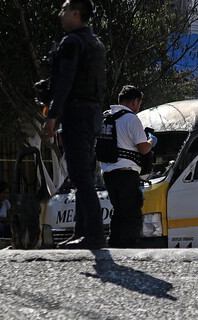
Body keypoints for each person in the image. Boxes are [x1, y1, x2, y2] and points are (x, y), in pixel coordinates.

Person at [43, 0, 107, 249]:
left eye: (64, 9)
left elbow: (65, 82)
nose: (60, 13)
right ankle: (82, 232)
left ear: (76, 13)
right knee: (83, 174)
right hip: (91, 114)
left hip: (77, 114)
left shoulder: (72, 42)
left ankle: (94, 234)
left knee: (80, 175)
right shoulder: (95, 42)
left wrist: (52, 116)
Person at [100, 85, 157, 247]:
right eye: (139, 103)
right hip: (126, 174)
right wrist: (152, 140)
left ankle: (115, 245)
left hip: (108, 174)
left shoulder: (107, 118)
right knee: (132, 214)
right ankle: (130, 250)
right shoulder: (131, 118)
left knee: (118, 212)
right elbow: (143, 148)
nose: (138, 107)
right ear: (135, 101)